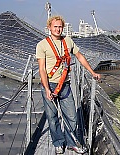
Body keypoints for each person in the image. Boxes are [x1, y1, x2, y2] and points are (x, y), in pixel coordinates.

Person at [36, 15, 101, 154]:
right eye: (55, 27)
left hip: (65, 85)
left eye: (60, 27)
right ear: (49, 27)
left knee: (71, 116)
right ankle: (58, 142)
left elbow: (80, 56)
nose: (58, 29)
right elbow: (41, 68)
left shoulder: (68, 41)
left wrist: (92, 72)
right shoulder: (42, 45)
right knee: (52, 117)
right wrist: (47, 88)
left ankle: (71, 143)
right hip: (50, 84)